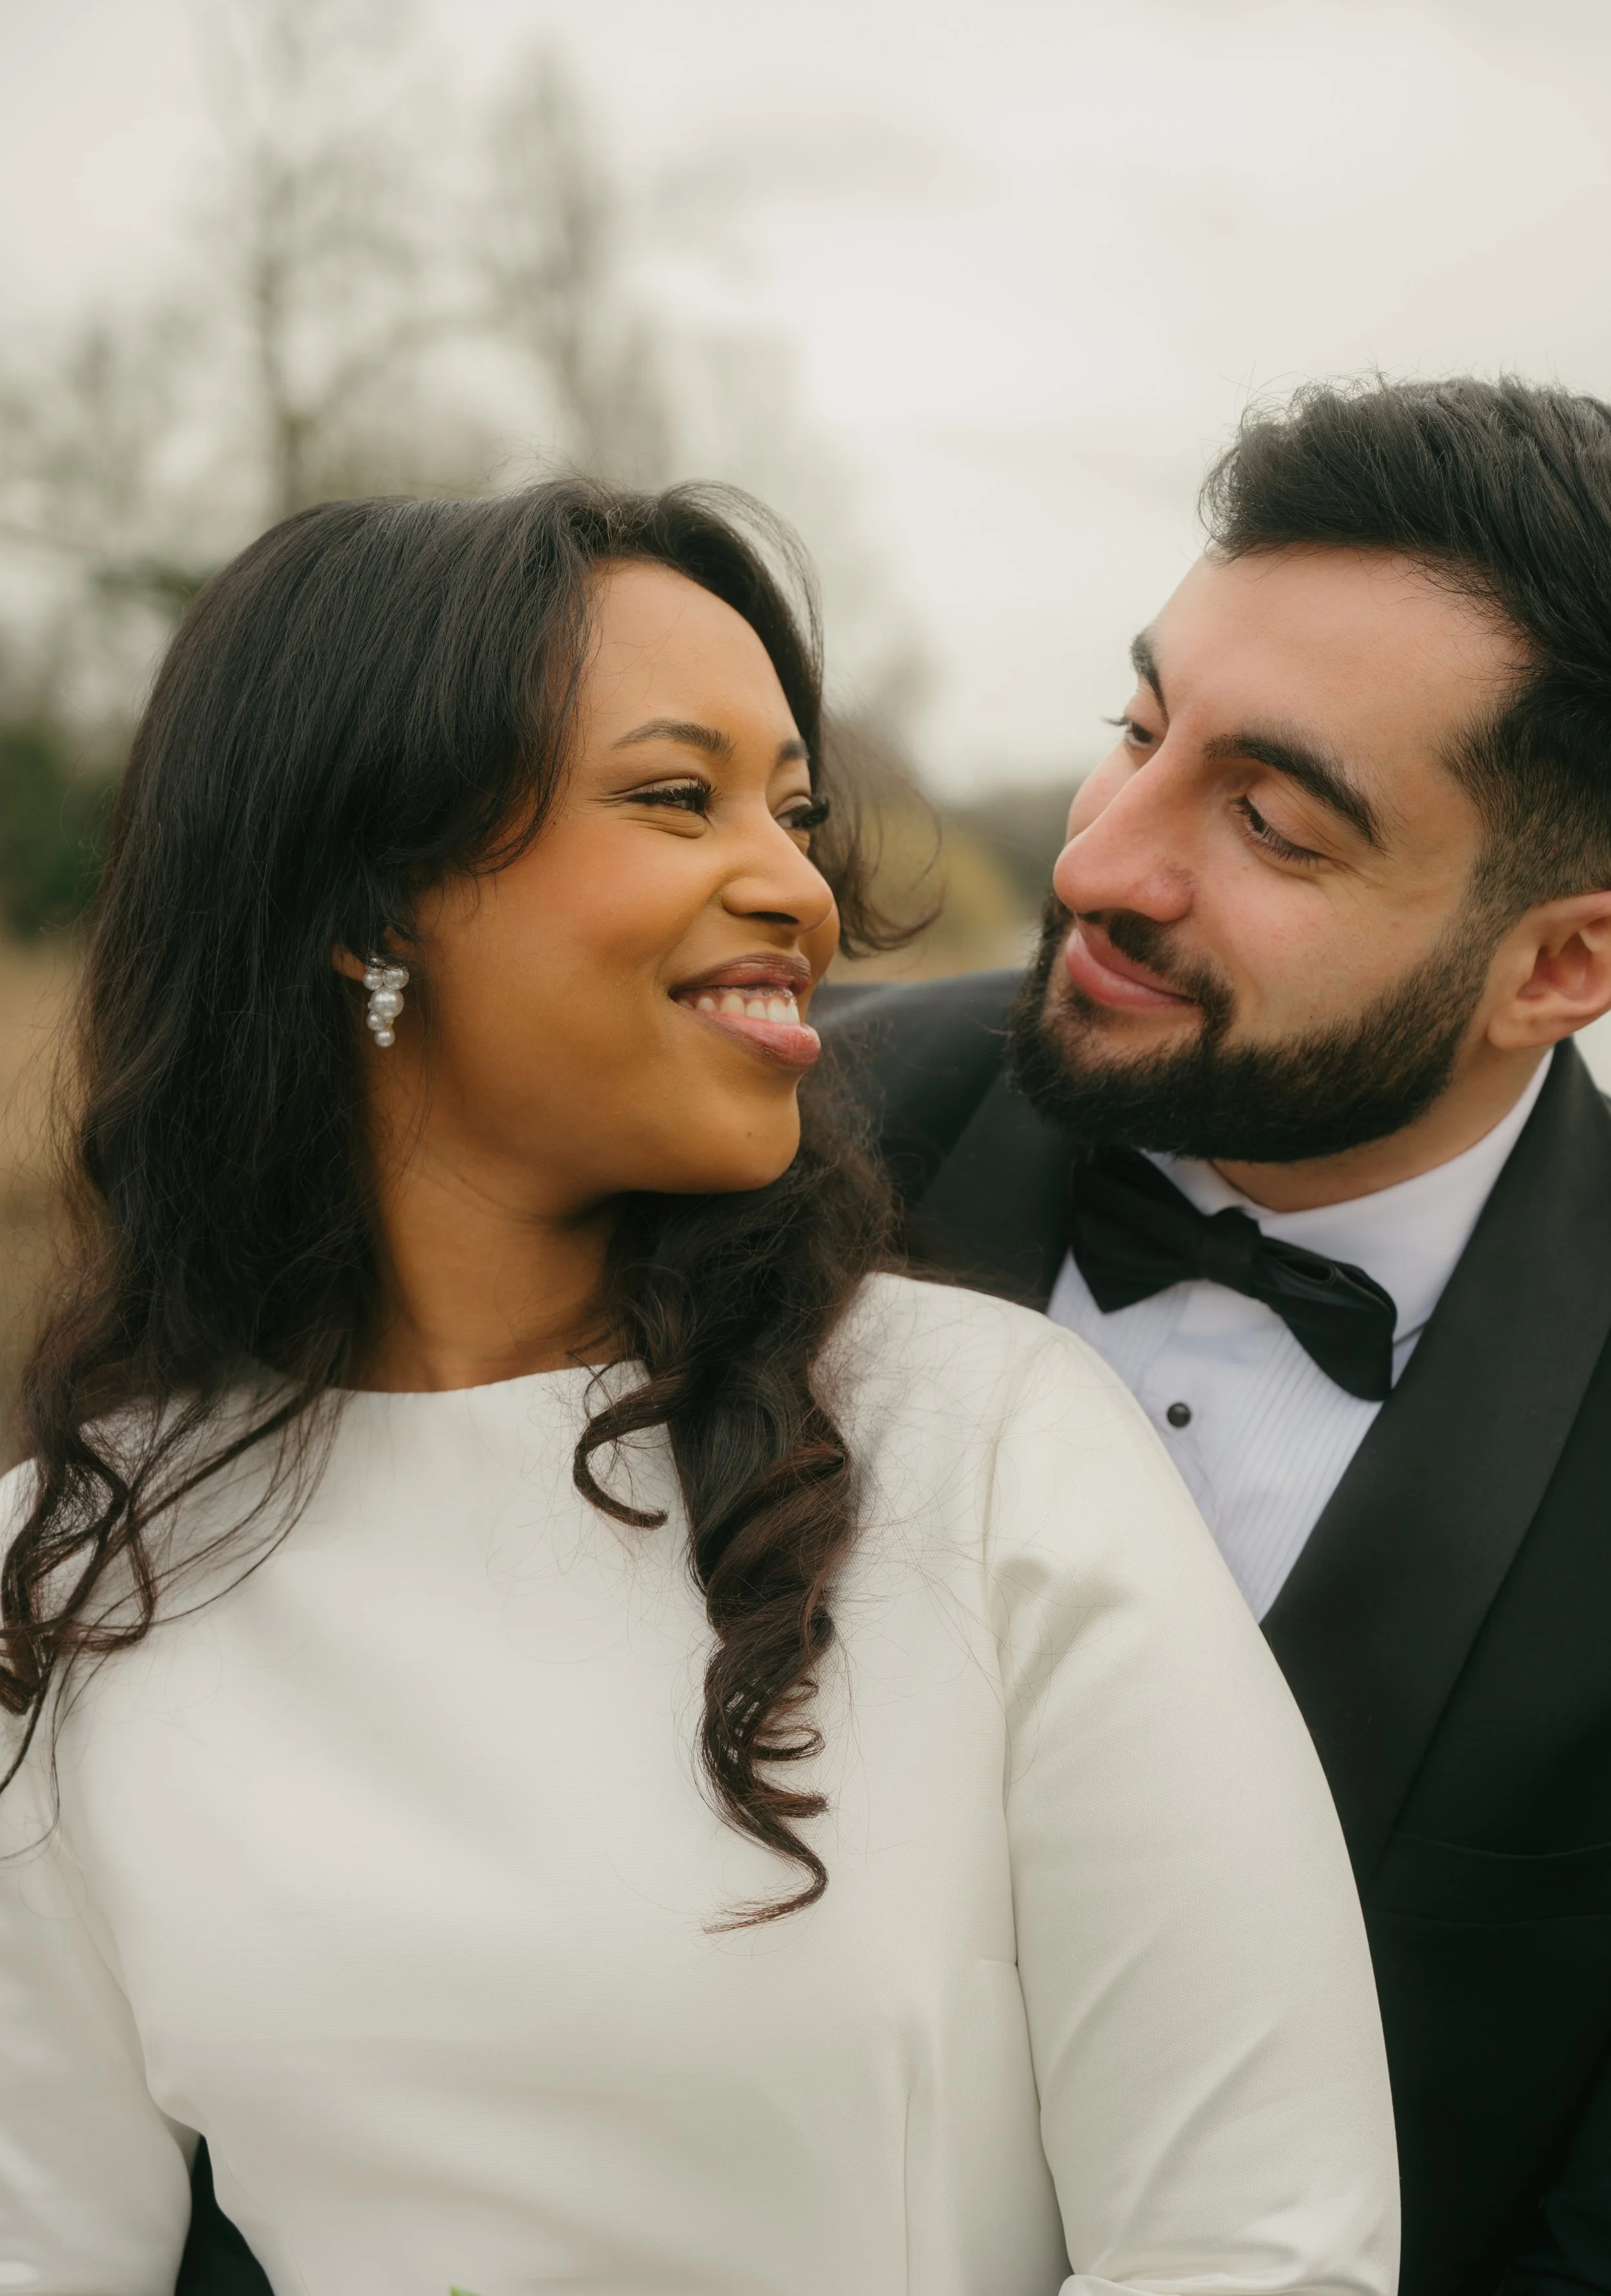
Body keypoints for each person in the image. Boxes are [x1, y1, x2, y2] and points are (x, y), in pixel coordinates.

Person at [0, 482, 1394, 2296]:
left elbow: (1255, 2245)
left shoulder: (984, 1446)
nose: (798, 886)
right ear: (364, 907)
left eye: (796, 812)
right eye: (677, 795)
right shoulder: (76, 1566)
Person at [827, 375, 1611, 2296]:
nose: (1100, 860)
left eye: (1268, 820)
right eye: (1135, 730)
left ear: (1560, 963)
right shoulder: (786, 1154)